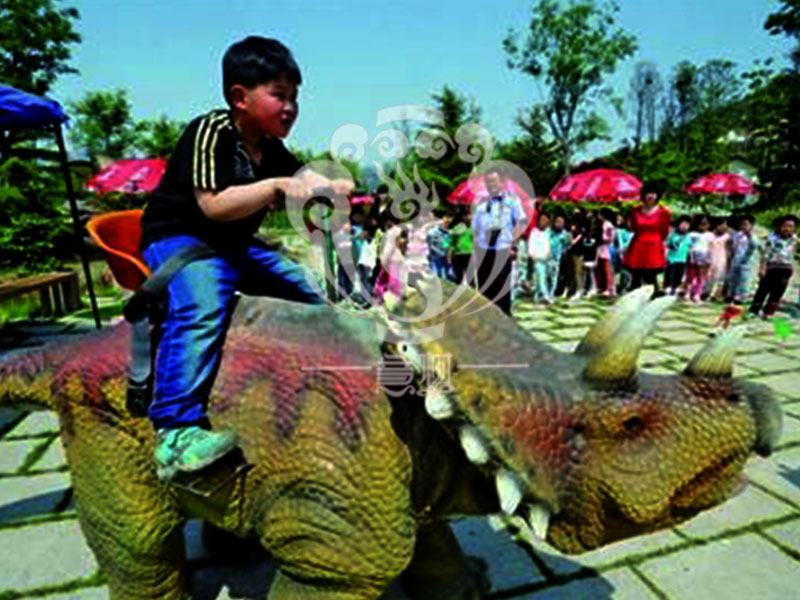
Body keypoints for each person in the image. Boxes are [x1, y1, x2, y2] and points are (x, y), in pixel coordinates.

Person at [139, 37, 350, 480]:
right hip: (182, 239)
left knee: (312, 289)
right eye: (279, 95)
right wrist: (274, 187)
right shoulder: (210, 131)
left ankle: (343, 361)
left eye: (295, 97)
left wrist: (327, 185)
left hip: (234, 246)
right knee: (201, 308)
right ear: (240, 97)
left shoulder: (271, 147)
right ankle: (175, 431)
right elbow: (214, 206)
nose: (290, 107)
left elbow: (301, 181)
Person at [472, 167, 520, 315]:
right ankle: (486, 320)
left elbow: (519, 226)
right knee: (485, 289)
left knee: (501, 289)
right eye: (488, 182)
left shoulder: (512, 203)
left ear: (502, 182)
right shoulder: (481, 206)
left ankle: (503, 320)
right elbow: (476, 230)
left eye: (494, 181)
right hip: (484, 252)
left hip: (503, 251)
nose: (491, 184)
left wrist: (514, 246)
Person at [622, 186, 671, 294]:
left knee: (651, 275)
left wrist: (660, 244)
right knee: (636, 275)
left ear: (658, 196)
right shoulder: (635, 211)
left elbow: (665, 231)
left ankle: (653, 296)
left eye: (653, 193)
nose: (650, 196)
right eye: (648, 193)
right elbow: (633, 227)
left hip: (654, 245)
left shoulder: (664, 212)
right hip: (638, 244)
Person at [749, 214, 798, 319]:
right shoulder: (772, 238)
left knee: (778, 292)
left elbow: (792, 254)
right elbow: (765, 253)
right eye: (785, 226)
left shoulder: (794, 239)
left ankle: (768, 312)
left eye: (790, 226)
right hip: (771, 267)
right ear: (780, 226)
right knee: (763, 289)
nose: (787, 229)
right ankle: (754, 310)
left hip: (785, 268)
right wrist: (762, 267)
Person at [727, 215, 758, 304]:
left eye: (745, 224)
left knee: (744, 278)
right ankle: (732, 294)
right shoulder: (737, 235)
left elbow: (754, 245)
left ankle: (741, 296)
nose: (743, 226)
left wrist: (749, 235)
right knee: (734, 277)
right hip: (736, 258)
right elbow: (733, 245)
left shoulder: (753, 236)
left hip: (746, 261)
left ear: (751, 225)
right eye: (742, 224)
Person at [685, 214, 714, 303]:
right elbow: (689, 246)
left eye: (705, 223)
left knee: (701, 277)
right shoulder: (692, 234)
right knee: (690, 276)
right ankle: (688, 293)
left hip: (704, 257)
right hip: (693, 257)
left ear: (709, 224)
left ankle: (697, 294)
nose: (703, 225)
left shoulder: (710, 235)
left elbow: (711, 247)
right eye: (701, 223)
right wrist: (690, 256)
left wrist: (710, 259)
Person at [527, 212, 552, 303]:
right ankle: (545, 296)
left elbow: (549, 245)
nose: (543, 222)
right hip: (537, 258)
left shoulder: (548, 233)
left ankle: (536, 296)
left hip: (546, 259)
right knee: (541, 277)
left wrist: (549, 255)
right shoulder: (534, 232)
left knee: (541, 277)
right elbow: (531, 245)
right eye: (542, 220)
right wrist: (532, 256)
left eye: (545, 220)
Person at [664, 215, 691, 296]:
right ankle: (668, 288)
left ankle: (675, 289)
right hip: (672, 259)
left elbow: (689, 246)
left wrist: (689, 257)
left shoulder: (688, 235)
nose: (685, 226)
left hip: (682, 259)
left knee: (679, 275)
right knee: (670, 274)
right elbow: (667, 243)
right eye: (683, 224)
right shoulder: (672, 234)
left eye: (687, 224)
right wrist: (673, 245)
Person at [707, 217, 731, 301]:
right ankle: (705, 292)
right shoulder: (709, 235)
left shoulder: (727, 237)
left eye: (725, 225)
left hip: (721, 258)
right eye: (722, 225)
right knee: (708, 276)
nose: (724, 227)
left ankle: (713, 294)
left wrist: (728, 258)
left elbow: (729, 248)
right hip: (710, 257)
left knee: (718, 277)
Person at [548, 214, 572, 299]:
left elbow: (568, 244)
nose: (559, 224)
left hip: (556, 259)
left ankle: (550, 294)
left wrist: (562, 251)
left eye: (561, 222)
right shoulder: (548, 232)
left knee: (554, 277)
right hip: (546, 258)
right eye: (557, 222)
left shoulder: (565, 234)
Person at [595, 208, 617, 297]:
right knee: (600, 268)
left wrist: (602, 238)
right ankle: (602, 287)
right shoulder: (602, 224)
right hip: (602, 247)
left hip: (607, 247)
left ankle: (609, 288)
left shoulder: (609, 225)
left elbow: (611, 238)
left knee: (607, 269)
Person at [448, 209, 474, 285]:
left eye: (471, 215)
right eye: (468, 215)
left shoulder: (472, 228)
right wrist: (450, 251)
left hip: (468, 253)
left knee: (470, 273)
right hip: (457, 254)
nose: (470, 217)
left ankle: (472, 288)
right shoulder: (457, 228)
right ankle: (458, 288)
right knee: (458, 273)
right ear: (464, 217)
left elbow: (474, 240)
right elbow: (451, 240)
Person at [426, 214, 451, 280]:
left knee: (444, 274)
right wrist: (440, 252)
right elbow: (430, 245)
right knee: (436, 274)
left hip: (444, 257)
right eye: (445, 223)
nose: (446, 225)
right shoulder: (432, 233)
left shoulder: (448, 233)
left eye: (448, 223)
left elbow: (446, 244)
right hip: (434, 257)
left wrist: (447, 252)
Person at [614, 212, 633, 293]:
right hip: (624, 255)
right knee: (625, 272)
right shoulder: (620, 232)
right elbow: (620, 244)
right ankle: (623, 287)